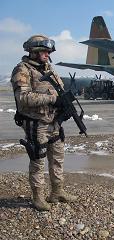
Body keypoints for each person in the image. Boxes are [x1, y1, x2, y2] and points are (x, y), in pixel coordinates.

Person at [11, 35, 77, 211]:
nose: (47, 54)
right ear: (33, 52)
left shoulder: (50, 70)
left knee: (57, 159)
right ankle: (38, 197)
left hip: (54, 123)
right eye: (44, 51)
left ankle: (57, 192)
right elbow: (23, 98)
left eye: (49, 51)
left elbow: (60, 92)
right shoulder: (22, 70)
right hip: (36, 124)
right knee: (38, 161)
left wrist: (64, 108)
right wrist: (52, 99)